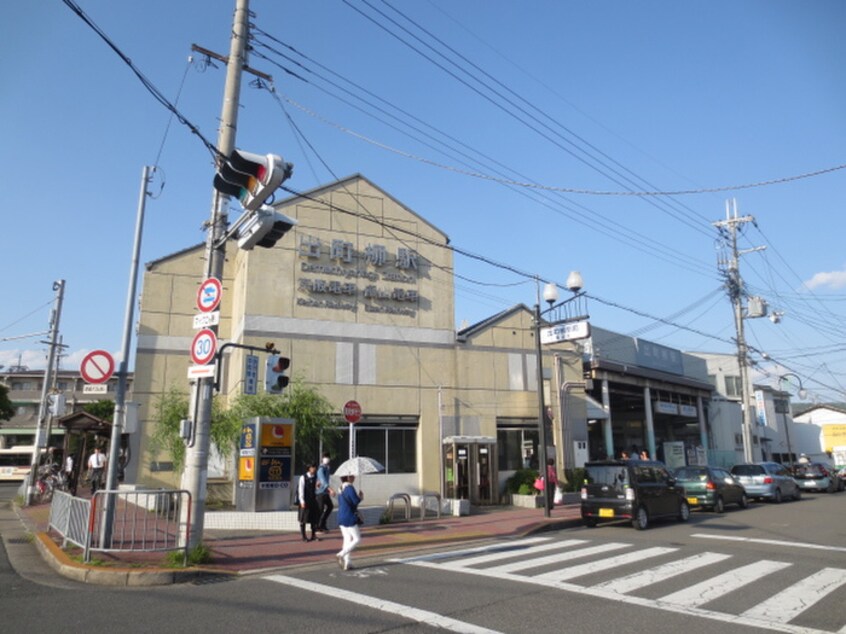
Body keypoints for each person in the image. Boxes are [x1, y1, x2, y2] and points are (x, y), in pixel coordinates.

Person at [336, 474, 363, 571]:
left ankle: (347, 563)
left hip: (341, 516)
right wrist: (360, 497)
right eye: (352, 476)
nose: (354, 477)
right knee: (357, 539)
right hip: (349, 517)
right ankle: (341, 554)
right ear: (348, 477)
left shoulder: (340, 488)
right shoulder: (350, 488)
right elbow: (355, 501)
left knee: (347, 539)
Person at [297, 463, 320, 542]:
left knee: (314, 519)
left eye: (315, 467)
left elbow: (316, 490)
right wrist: (302, 501)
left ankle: (313, 535)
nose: (314, 469)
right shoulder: (303, 477)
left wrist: (317, 486)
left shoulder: (315, 477)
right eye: (313, 467)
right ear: (309, 468)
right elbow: (301, 490)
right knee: (303, 519)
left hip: (313, 500)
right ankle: (304, 536)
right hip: (305, 500)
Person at [315, 452, 335, 532]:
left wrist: (328, 490)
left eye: (328, 457)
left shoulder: (327, 468)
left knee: (330, 506)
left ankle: (322, 524)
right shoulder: (321, 469)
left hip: (325, 492)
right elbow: (323, 481)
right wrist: (330, 490)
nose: (327, 458)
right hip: (320, 492)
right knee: (320, 509)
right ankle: (317, 526)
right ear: (322, 458)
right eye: (325, 457)